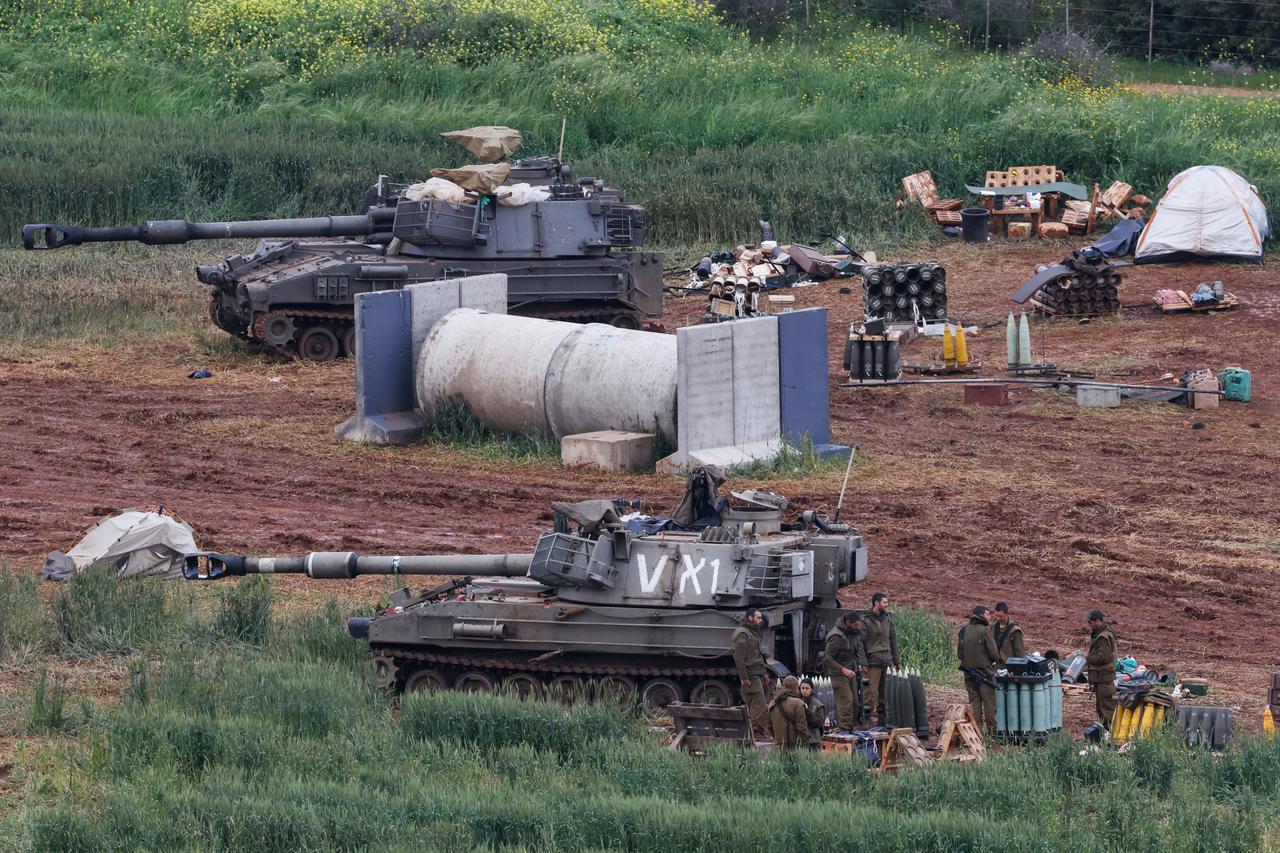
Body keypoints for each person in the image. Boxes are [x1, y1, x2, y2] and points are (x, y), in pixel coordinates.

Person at [822, 610, 867, 733]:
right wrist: (842, 669)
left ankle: (852, 726)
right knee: (846, 700)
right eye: (855, 624)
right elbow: (827, 658)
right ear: (848, 623)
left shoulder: (852, 633)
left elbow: (853, 652)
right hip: (838, 673)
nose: (858, 627)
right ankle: (845, 728)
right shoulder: (837, 637)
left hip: (850, 671)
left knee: (855, 701)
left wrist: (858, 664)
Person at [957, 604, 1000, 732]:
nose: (990, 617)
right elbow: (994, 654)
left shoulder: (964, 631)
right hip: (985, 675)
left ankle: (977, 735)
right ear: (981, 616)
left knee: (975, 706)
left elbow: (959, 654)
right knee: (989, 706)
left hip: (969, 675)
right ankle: (992, 737)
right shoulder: (985, 630)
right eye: (988, 614)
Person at [861, 592, 900, 726]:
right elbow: (860, 643)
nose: (887, 605)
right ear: (876, 603)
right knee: (870, 693)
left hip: (887, 661)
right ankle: (865, 723)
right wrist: (863, 661)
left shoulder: (887, 619)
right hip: (873, 662)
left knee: (885, 694)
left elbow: (893, 640)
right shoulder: (865, 620)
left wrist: (897, 660)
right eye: (884, 602)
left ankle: (883, 723)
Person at [731, 606, 770, 740]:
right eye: (758, 617)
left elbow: (757, 655)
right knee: (758, 705)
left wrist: (764, 672)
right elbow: (739, 658)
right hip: (750, 674)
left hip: (756, 672)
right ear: (750, 618)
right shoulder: (742, 633)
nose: (760, 620)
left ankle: (760, 731)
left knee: (760, 704)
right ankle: (757, 733)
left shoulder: (753, 632)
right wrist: (744, 678)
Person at [1086, 609, 1118, 729]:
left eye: (1091, 622)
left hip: (1104, 678)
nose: (1089, 625)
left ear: (1098, 621)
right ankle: (1107, 734)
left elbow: (1103, 657)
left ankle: (1112, 734)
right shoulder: (1101, 634)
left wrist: (1088, 658)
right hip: (1101, 678)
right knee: (1101, 708)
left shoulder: (1104, 637)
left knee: (1107, 709)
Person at [768, 675, 809, 751]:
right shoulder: (798, 703)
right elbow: (802, 727)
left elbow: (769, 726)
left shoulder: (772, 703)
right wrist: (805, 743)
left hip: (780, 744)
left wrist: (778, 738)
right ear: (797, 688)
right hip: (795, 745)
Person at [799, 678, 826, 749]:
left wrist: (807, 711)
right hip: (800, 739)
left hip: (814, 740)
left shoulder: (817, 705)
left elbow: (819, 723)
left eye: (807, 688)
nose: (804, 690)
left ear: (811, 689)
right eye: (802, 688)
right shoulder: (797, 702)